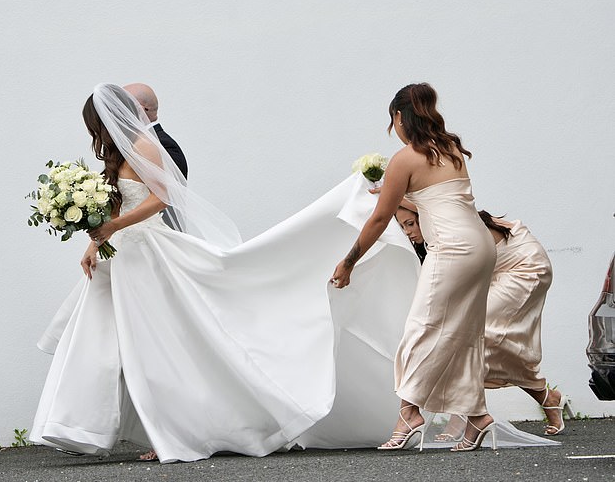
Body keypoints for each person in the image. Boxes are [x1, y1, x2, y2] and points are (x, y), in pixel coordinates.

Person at [29, 83, 340, 463]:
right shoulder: (116, 153)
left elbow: (164, 198)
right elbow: (111, 207)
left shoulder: (146, 147)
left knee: (156, 345)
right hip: (121, 256)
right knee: (93, 336)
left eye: (95, 124)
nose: (96, 131)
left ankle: (179, 430)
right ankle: (73, 424)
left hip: (147, 252)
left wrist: (114, 228)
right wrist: (95, 242)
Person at [331, 83, 497, 452]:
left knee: (420, 330)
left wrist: (348, 262)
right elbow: (439, 199)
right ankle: (477, 417)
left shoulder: (404, 159)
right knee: (466, 334)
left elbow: (378, 221)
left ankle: (409, 412)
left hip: (451, 251)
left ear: (400, 117)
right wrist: (395, 193)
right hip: (481, 247)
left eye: (394, 121)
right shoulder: (451, 149)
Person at [395, 204, 573, 437]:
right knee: (493, 345)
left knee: (470, 335)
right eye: (402, 226)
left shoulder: (453, 227)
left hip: (525, 267)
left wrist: (393, 193)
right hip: (499, 270)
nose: (408, 232)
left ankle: (463, 416)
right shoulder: (435, 242)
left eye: (411, 223)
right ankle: (548, 397)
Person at [123, 83, 188, 178]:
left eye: (122, 105)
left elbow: (168, 189)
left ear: (139, 109)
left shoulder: (164, 144)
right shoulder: (138, 139)